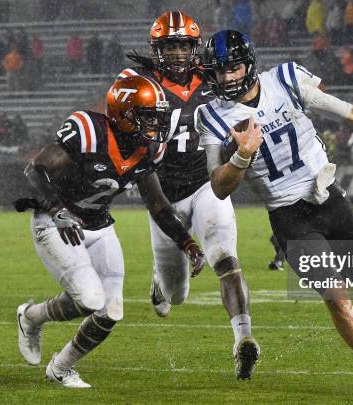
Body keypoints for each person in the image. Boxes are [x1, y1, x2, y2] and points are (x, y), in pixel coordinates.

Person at [197, 30, 353, 401]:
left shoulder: (286, 79)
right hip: (290, 218)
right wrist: (242, 155)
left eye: (233, 68)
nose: (227, 77)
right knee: (337, 296)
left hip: (331, 201)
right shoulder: (211, 115)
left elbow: (352, 113)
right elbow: (219, 185)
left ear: (249, 63)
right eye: (219, 71)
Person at [14, 75, 205, 388]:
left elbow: (158, 205)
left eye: (157, 117)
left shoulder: (147, 151)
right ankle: (31, 316)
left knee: (111, 310)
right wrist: (56, 210)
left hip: (99, 225)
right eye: (148, 117)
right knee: (89, 299)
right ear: (124, 113)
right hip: (58, 224)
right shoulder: (89, 132)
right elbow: (35, 169)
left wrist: (187, 243)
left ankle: (61, 368)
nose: (155, 125)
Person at [120, 11, 259, 380]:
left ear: (195, 47)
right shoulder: (138, 82)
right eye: (171, 46)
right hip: (162, 194)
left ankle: (243, 339)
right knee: (176, 294)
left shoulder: (214, 78)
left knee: (225, 257)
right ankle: (159, 284)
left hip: (205, 184)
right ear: (158, 48)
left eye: (184, 45)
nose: (179, 54)